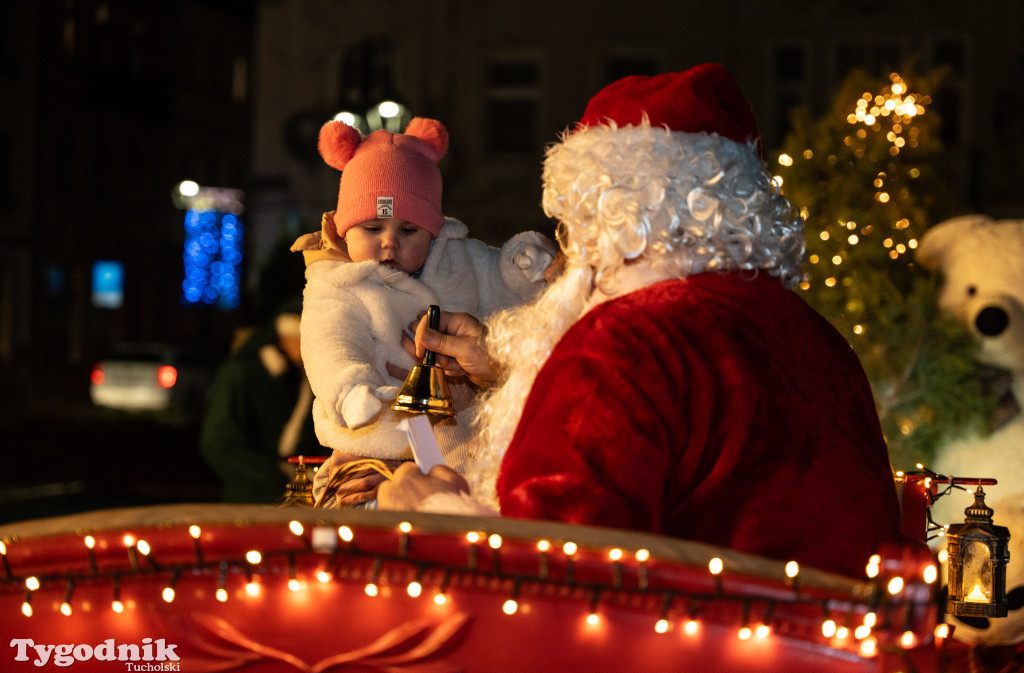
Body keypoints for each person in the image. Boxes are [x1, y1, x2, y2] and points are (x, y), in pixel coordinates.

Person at [378, 64, 909, 579]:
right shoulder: (815, 336)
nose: (564, 260)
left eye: (570, 227)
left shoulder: (623, 342)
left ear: (609, 222)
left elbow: (552, 579)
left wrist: (437, 514)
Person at [291, 117, 554, 508]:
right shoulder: (338, 284)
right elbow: (328, 342)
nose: (389, 243)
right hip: (373, 447)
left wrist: (522, 267)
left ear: (433, 230)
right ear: (345, 230)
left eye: (408, 231)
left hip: (463, 452)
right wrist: (348, 389)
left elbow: (497, 279)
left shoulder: (458, 258)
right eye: (372, 228)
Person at [200, 300, 330, 503]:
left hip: (302, 493)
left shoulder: (308, 381)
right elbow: (218, 441)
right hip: (252, 495)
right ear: (284, 336)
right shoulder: (240, 373)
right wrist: (273, 477)